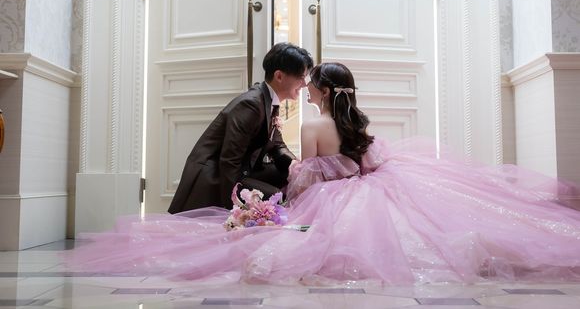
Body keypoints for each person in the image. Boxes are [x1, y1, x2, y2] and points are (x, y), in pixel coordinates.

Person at [70, 62, 580, 284]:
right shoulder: (357, 122)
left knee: (304, 238)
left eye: (312, 83)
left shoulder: (314, 124)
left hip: (332, 197)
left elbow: (306, 178)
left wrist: (287, 180)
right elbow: (369, 162)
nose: (306, 88)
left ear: (323, 91)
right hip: (368, 188)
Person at [168, 42, 313, 213]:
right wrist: (234, 209)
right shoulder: (251, 105)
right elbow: (229, 160)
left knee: (288, 175)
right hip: (216, 176)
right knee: (276, 197)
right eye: (301, 77)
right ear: (279, 76)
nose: (305, 84)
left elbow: (277, 145)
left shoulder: (268, 101)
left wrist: (296, 166)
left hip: (242, 169)